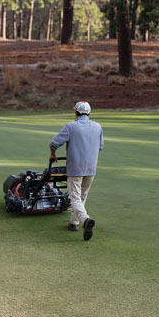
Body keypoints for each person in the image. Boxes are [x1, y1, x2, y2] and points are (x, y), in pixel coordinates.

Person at [49, 101, 104, 241]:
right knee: (82, 196)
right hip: (91, 168)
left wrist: (53, 153)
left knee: (75, 197)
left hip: (75, 168)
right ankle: (74, 223)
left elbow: (54, 142)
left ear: (76, 113)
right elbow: (100, 147)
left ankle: (85, 220)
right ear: (89, 113)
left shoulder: (71, 126)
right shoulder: (98, 127)